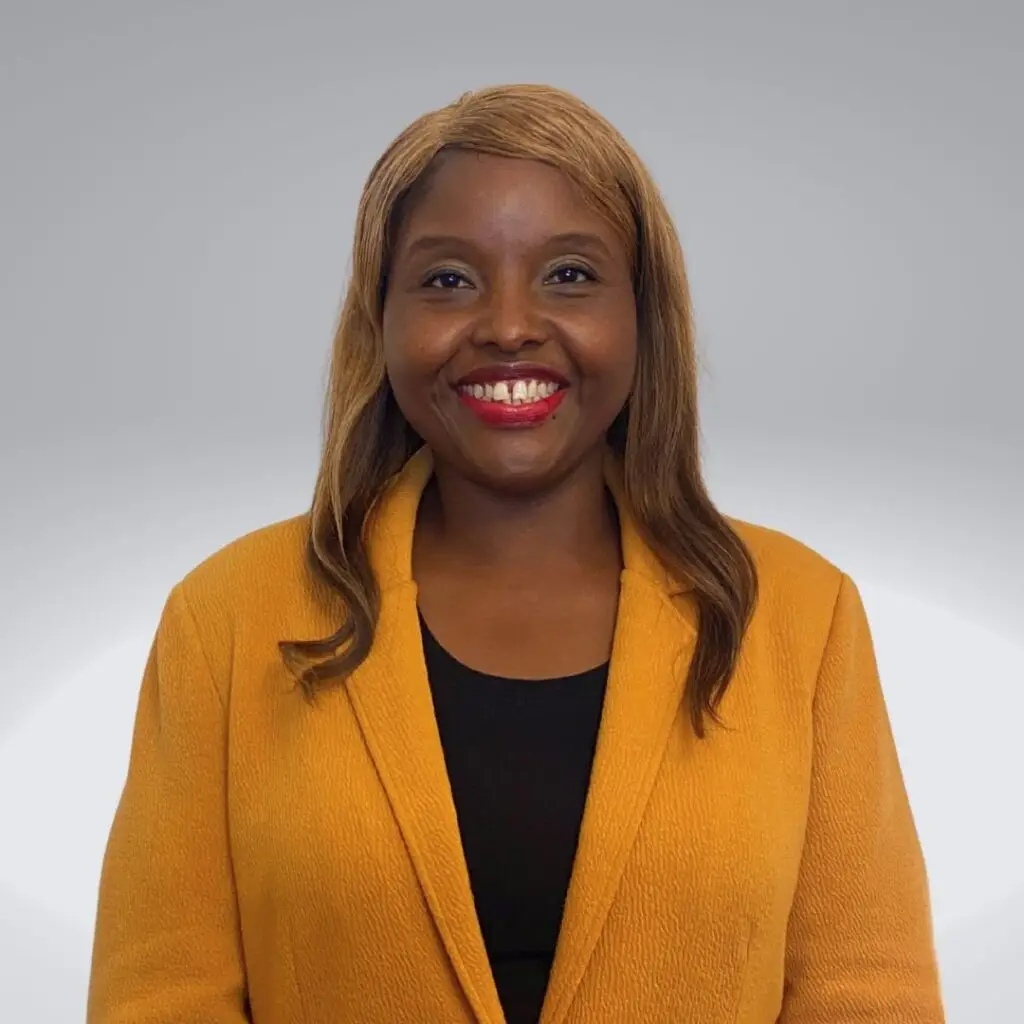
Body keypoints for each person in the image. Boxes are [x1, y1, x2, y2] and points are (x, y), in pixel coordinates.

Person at [86, 83, 946, 1023]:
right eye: (447, 280)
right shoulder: (226, 618)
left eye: (569, 274)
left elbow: (869, 997)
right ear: (380, 320)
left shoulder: (800, 614)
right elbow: (159, 1000)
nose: (507, 326)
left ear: (642, 315)